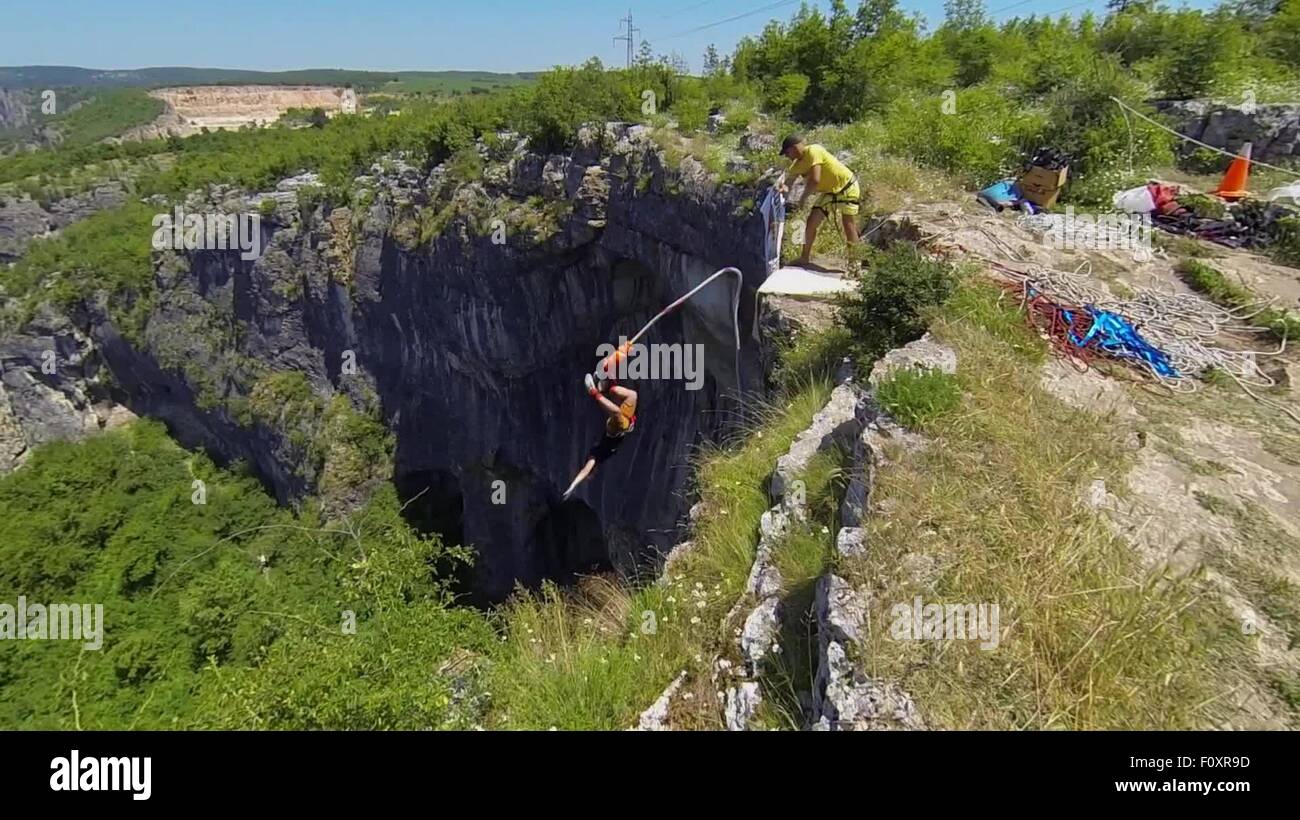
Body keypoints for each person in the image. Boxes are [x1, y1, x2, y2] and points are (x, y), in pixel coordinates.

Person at [776, 134, 861, 266]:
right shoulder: (796, 166)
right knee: (811, 222)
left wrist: (803, 199)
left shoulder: (814, 150)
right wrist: (783, 188)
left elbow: (815, 180)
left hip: (847, 187)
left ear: (794, 148)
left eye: (787, 153)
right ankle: (804, 257)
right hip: (829, 192)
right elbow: (789, 182)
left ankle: (854, 262)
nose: (787, 156)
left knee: (848, 224)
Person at [561, 369, 638, 501]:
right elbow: (586, 471)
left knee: (617, 413)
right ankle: (607, 388)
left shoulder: (596, 456)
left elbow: (585, 471)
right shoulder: (599, 458)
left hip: (615, 429)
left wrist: (573, 486)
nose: (594, 474)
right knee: (633, 396)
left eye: (592, 475)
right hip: (625, 424)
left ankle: (596, 391)